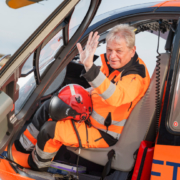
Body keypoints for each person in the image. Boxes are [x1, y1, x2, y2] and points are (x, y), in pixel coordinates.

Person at [12, 24, 150, 171]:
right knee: (48, 107)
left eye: (118, 51)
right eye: (109, 50)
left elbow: (115, 97)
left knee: (50, 131)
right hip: (91, 115)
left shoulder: (136, 76)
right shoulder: (113, 63)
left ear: (132, 50)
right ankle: (21, 147)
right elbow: (98, 85)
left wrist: (89, 68)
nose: (112, 56)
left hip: (104, 133)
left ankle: (35, 165)